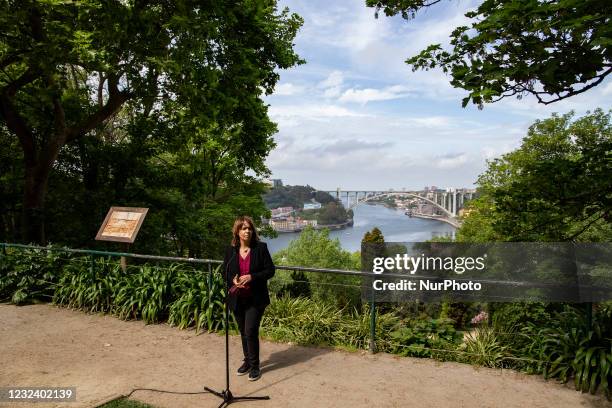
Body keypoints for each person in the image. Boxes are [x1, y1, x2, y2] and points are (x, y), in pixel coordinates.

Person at [222, 216, 275, 381]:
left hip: (256, 298)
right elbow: (225, 271)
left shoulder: (261, 248)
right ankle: (247, 361)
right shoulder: (231, 251)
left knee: (250, 331)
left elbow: (270, 271)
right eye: (243, 228)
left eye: (249, 228)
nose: (247, 231)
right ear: (237, 231)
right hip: (237, 298)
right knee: (243, 332)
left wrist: (252, 277)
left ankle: (254, 366)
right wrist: (233, 280)